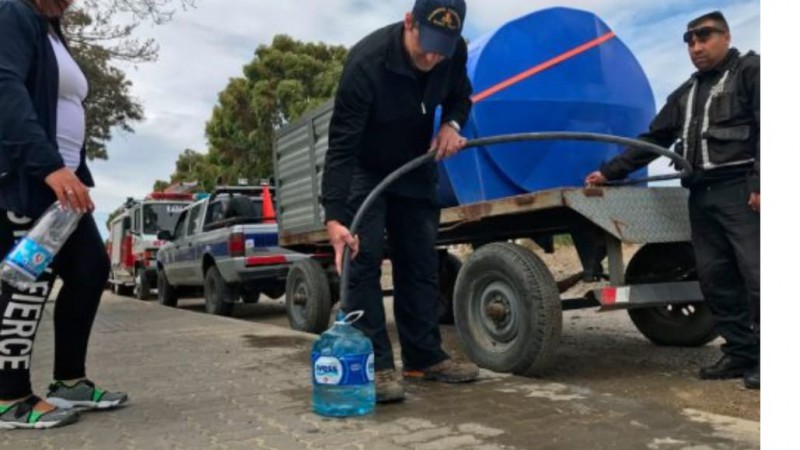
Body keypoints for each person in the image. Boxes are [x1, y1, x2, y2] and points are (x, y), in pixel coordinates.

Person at [585, 11, 760, 389]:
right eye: (690, 41)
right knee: (715, 278)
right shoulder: (685, 94)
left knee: (759, 275)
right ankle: (741, 352)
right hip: (700, 194)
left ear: (726, 36)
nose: (696, 47)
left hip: (743, 190)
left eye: (705, 37)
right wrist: (610, 172)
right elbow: (652, 140)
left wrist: (763, 183)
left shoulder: (752, 72)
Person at [322, 0, 479, 403]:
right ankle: (377, 367)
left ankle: (423, 358)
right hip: (365, 168)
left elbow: (462, 95)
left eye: (441, 49)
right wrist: (335, 218)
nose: (431, 57)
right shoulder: (366, 64)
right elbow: (340, 148)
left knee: (421, 261)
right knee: (364, 261)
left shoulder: (452, 52)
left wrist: (451, 123)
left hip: (414, 164)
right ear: (409, 22)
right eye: (425, 43)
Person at [0, 0, 128, 429]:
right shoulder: (13, 12)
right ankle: (9, 397)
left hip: (63, 188)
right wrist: (48, 165)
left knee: (91, 269)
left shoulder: (51, 29)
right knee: (25, 283)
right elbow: (5, 87)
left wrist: (74, 172)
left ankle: (69, 382)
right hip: (29, 179)